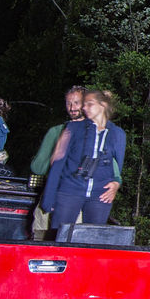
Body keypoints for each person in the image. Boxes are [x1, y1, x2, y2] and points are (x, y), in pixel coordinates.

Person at [42, 89, 125, 227]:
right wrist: (49, 199)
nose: (84, 108)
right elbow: (58, 164)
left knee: (92, 239)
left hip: (100, 194)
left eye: (89, 104)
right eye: (84, 104)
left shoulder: (118, 133)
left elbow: (118, 166)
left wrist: (116, 184)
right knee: (60, 237)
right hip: (70, 190)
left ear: (103, 105)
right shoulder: (73, 128)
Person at [29, 86, 85, 231]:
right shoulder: (56, 131)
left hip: (79, 202)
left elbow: (113, 173)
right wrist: (57, 158)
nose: (72, 108)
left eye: (77, 103)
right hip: (51, 194)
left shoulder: (96, 134)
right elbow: (37, 167)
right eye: (68, 103)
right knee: (39, 242)